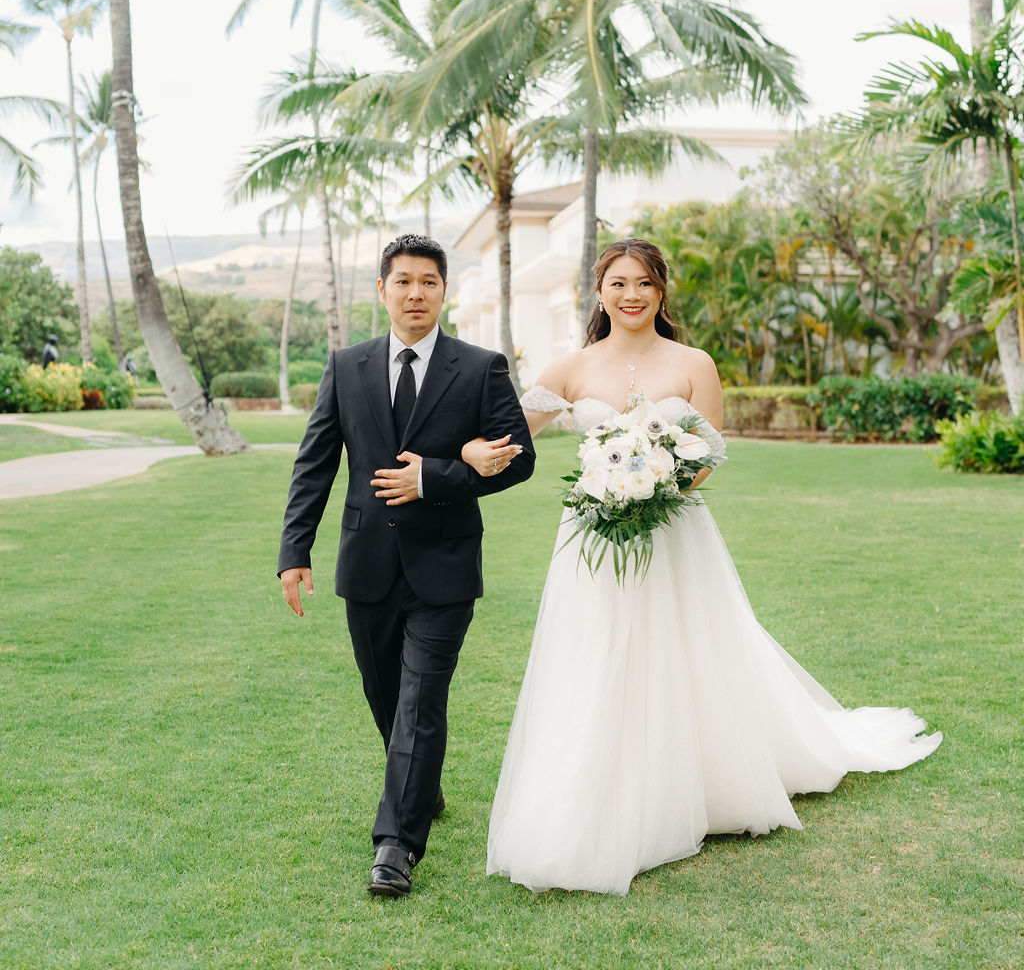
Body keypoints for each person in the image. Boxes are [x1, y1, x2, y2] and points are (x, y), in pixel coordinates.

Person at [481, 237, 942, 895]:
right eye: (618, 283)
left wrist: (653, 491)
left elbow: (710, 452)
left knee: (686, 650)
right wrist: (470, 450)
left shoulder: (693, 362)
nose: (631, 295)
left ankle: (701, 778)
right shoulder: (570, 368)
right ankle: (595, 781)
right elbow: (508, 432)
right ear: (599, 292)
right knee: (596, 652)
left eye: (643, 283)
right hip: (593, 541)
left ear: (661, 291)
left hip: (673, 532)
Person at [277, 234, 535, 898]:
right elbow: (316, 464)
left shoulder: (480, 368)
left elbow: (521, 458)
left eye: (428, 281)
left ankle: (395, 844)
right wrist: (293, 553)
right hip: (365, 562)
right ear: (383, 290)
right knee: (387, 698)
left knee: (421, 700)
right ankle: (423, 783)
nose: (415, 292)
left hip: (445, 565)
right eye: (403, 281)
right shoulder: (346, 366)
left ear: (444, 291)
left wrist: (439, 478)